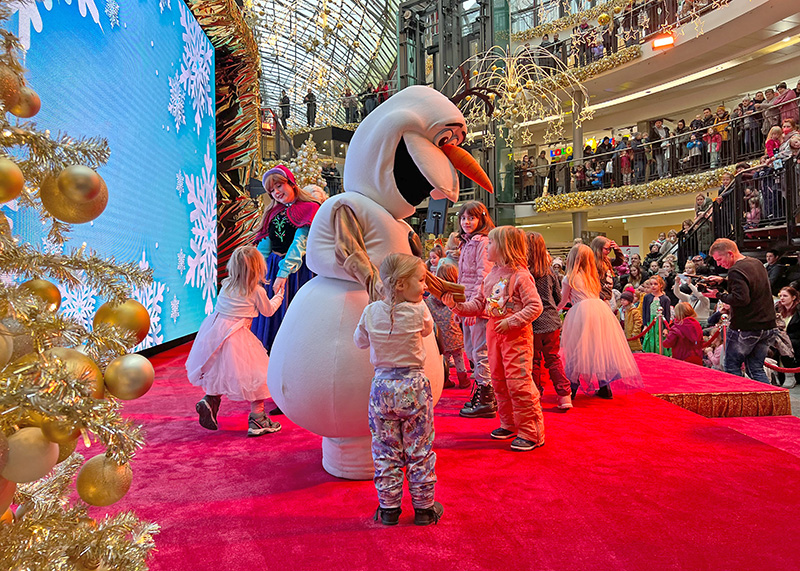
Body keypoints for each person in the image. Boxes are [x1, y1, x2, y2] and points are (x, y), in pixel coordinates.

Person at [354, 253, 442, 526]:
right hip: (414, 388)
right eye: (421, 280)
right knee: (419, 448)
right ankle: (424, 508)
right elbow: (427, 331)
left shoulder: (371, 312)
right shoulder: (419, 310)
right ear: (402, 284)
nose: (425, 286)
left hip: (382, 390)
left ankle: (388, 508)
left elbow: (359, 342)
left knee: (385, 450)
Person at [444, 226, 545, 451]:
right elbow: (479, 304)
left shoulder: (520, 276)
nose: (486, 247)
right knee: (498, 381)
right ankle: (509, 423)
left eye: (491, 243)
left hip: (516, 338)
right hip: (494, 334)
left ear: (505, 247)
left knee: (518, 383)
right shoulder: (491, 276)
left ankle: (531, 432)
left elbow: (535, 306)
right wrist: (456, 306)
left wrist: (512, 321)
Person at [187, 246, 284, 437]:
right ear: (258, 268)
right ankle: (258, 419)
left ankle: (210, 400)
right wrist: (279, 296)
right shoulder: (256, 291)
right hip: (237, 336)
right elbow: (268, 311)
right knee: (258, 376)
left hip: (215, 334)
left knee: (218, 370)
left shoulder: (226, 285)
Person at [251, 165, 320, 364]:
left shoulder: (310, 207)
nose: (276, 192)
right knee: (271, 313)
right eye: (271, 190)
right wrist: (256, 271)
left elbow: (300, 243)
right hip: (273, 268)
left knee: (293, 312)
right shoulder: (273, 212)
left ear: (291, 183)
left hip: (297, 270)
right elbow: (265, 244)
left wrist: (283, 273)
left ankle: (295, 360)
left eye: (279, 186)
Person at [557, 244, 642, 399]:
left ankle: (571, 388)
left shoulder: (569, 277)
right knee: (598, 348)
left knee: (578, 349)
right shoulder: (592, 277)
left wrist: (554, 310)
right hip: (600, 310)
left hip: (582, 312)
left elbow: (563, 301)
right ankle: (604, 387)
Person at [702, 239, 777, 384]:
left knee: (731, 366)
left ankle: (738, 397)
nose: (718, 264)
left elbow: (741, 299)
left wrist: (717, 295)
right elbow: (750, 287)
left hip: (746, 326)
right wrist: (724, 282)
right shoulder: (756, 263)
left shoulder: (735, 270)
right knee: (756, 369)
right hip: (767, 325)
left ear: (730, 254)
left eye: (719, 259)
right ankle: (767, 397)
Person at [456, 201, 496, 418]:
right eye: (463, 218)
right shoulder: (468, 242)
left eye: (471, 218)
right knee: (472, 351)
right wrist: (460, 308)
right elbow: (463, 279)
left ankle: (486, 397)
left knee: (480, 352)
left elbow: (484, 276)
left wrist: (474, 306)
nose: (466, 222)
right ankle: (484, 393)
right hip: (468, 305)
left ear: (481, 219)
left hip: (478, 307)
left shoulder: (483, 242)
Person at [527, 232, 572, 409]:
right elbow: (557, 297)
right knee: (553, 359)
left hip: (533, 322)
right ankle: (564, 395)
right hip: (552, 321)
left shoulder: (525, 273)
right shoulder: (550, 271)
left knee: (534, 361)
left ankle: (536, 395)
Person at [426, 262, 469, 389]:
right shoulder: (456, 298)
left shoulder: (431, 299)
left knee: (443, 360)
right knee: (459, 358)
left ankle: (444, 380)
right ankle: (463, 380)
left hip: (440, 337)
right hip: (454, 334)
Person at [774, 286, 800, 388]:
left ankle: (790, 375)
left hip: (795, 339)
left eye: (785, 296)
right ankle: (774, 373)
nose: (782, 298)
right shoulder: (777, 309)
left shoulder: (798, 311)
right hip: (778, 338)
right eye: (780, 296)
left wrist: (785, 337)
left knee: (784, 344)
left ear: (793, 297)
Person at [641, 276, 671, 355]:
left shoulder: (665, 299)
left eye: (655, 284)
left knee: (659, 340)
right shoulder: (647, 297)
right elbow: (644, 312)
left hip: (660, 323)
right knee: (650, 340)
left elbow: (667, 314)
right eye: (651, 284)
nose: (653, 286)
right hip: (650, 323)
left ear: (661, 285)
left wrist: (666, 328)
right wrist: (645, 325)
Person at [590, 235, 624, 302]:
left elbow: (619, 261)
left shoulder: (606, 260)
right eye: (606, 249)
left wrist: (616, 249)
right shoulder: (591, 261)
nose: (608, 251)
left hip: (606, 294)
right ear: (598, 248)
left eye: (610, 249)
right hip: (597, 295)